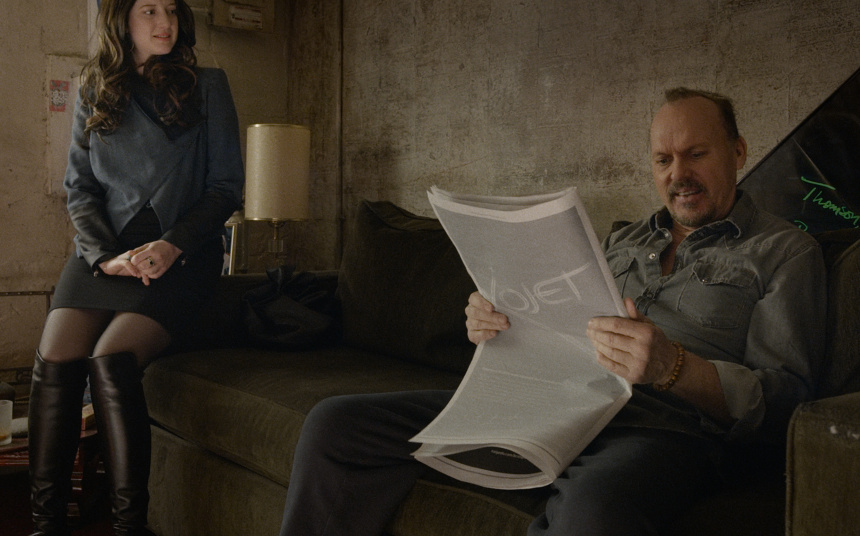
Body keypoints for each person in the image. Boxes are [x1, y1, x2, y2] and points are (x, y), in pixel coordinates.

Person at [277, 88, 826, 535]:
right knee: (337, 425)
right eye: (663, 159)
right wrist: (501, 321)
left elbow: (787, 400)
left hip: (665, 427)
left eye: (696, 153)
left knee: (593, 512)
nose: (677, 173)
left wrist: (672, 367)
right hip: (557, 403)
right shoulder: (623, 242)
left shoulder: (784, 252)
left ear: (738, 152)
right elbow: (560, 325)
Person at [28, 0, 244, 536]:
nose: (164, 22)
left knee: (110, 358)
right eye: (149, 11)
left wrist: (172, 245)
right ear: (121, 21)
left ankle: (130, 527)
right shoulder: (93, 88)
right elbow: (80, 189)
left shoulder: (208, 85)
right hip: (106, 252)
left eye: (170, 10)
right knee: (55, 358)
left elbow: (226, 189)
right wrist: (104, 257)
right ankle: (46, 524)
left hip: (183, 254)